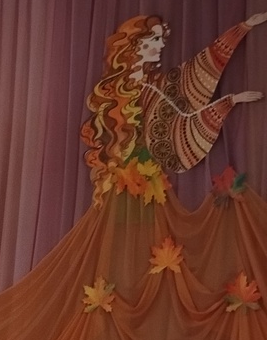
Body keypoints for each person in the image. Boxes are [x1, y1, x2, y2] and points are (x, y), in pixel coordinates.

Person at [80, 11, 265, 203]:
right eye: (155, 39)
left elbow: (200, 70)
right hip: (124, 181)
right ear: (136, 43)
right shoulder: (119, 89)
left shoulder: (159, 84)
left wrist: (242, 29)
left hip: (148, 178)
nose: (161, 45)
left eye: (161, 39)